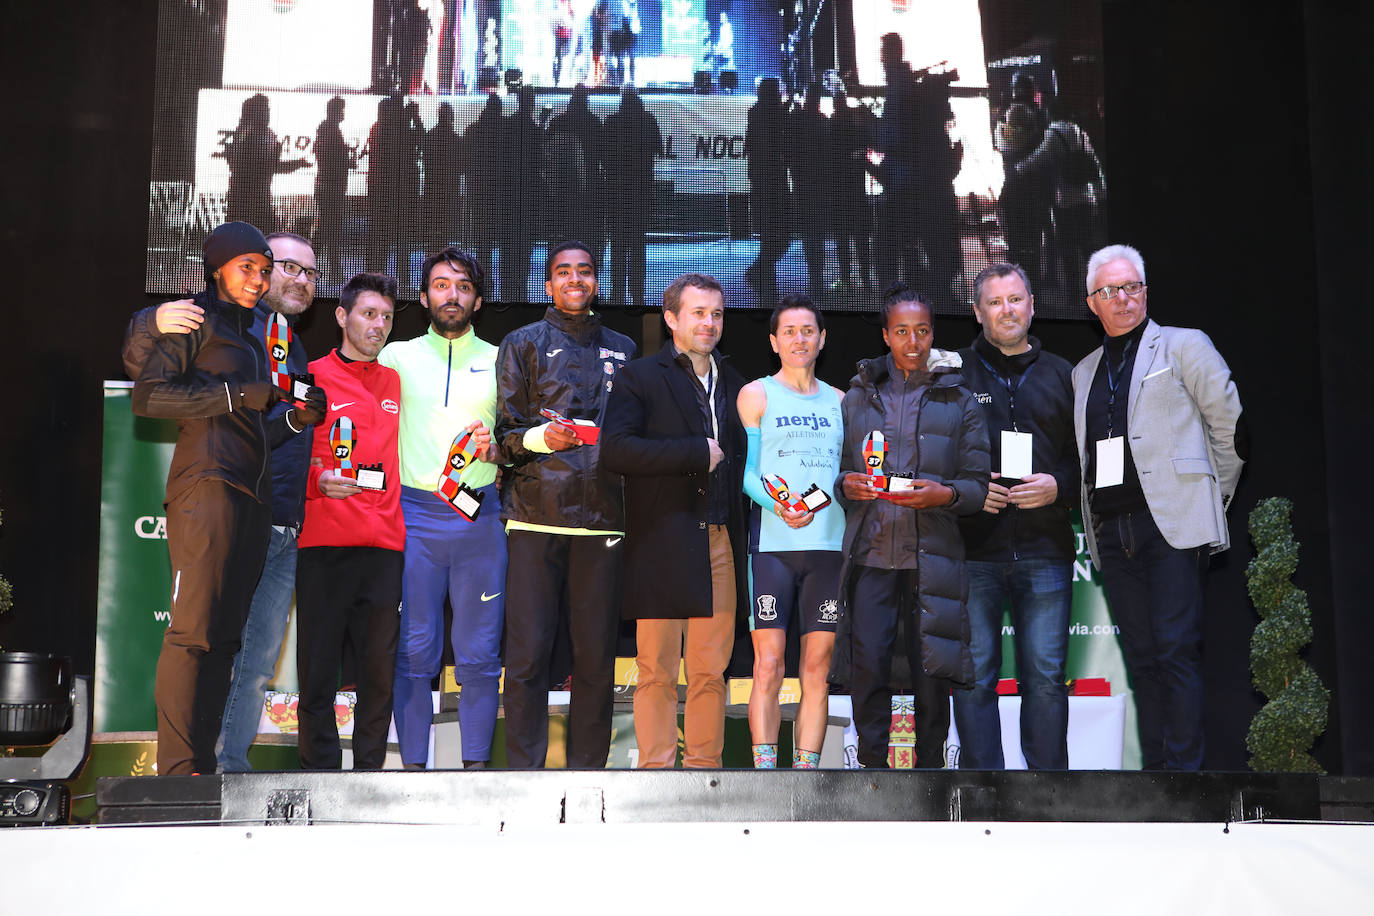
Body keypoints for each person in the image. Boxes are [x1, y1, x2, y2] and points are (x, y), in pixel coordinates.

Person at [121, 221, 326, 775]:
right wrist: (236, 394)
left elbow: (254, 430)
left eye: (264, 271)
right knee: (193, 635)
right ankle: (176, 772)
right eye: (247, 268)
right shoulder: (196, 318)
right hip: (207, 486)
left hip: (254, 503)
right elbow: (149, 397)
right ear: (216, 268)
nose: (258, 279)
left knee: (226, 643)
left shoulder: (258, 343)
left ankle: (204, 772)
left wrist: (295, 419)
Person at [1073, 244, 1244, 771]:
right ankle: (1154, 780)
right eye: (1109, 290)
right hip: (1111, 530)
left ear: (1145, 291)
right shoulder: (1083, 372)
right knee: (1142, 660)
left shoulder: (1184, 345)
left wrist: (1209, 500)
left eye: (1132, 286)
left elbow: (1230, 427)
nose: (1123, 298)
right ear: (1092, 303)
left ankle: (1185, 782)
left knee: (1175, 652)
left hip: (1172, 525)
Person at [830, 284, 989, 769]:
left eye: (922, 330)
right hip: (872, 554)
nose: (913, 341)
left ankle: (931, 773)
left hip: (932, 557)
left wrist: (945, 495)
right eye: (901, 331)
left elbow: (977, 486)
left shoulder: (960, 399)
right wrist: (846, 484)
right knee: (868, 668)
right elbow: (840, 472)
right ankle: (871, 771)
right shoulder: (857, 396)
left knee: (931, 675)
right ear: (886, 335)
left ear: (933, 333)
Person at [495, 240, 635, 768]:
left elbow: (635, 436)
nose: (575, 279)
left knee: (596, 661)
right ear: (548, 283)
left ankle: (588, 775)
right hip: (534, 518)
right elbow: (505, 435)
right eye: (563, 272)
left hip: (604, 520)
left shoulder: (625, 348)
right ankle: (523, 775)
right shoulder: (521, 342)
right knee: (527, 656)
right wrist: (541, 439)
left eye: (584, 271)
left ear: (596, 281)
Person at [601, 273, 746, 768]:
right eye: (698, 313)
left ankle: (705, 775)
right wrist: (692, 452)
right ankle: (655, 773)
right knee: (656, 670)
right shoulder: (640, 377)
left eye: (717, 314)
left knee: (710, 671)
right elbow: (615, 451)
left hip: (719, 538)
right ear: (671, 319)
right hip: (661, 538)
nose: (709, 322)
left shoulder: (738, 383)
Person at [378, 248, 504, 769]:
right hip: (413, 518)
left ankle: (475, 770)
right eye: (441, 284)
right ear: (424, 295)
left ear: (478, 300)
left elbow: (517, 440)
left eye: (463, 286)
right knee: (414, 652)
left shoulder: (503, 358)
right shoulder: (395, 357)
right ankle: (412, 771)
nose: (452, 295)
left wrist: (496, 450)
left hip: (479, 519)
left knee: (480, 655)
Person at [950, 263, 1078, 770]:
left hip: (1045, 549)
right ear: (978, 312)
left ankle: (1047, 794)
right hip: (971, 551)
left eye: (1016, 299)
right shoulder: (953, 373)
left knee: (1045, 678)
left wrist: (1059, 486)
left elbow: (1087, 457)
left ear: (1032, 305)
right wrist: (967, 492)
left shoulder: (1066, 374)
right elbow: (929, 454)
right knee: (974, 677)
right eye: (995, 302)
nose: (1007, 310)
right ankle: (984, 793)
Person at [296, 273, 403, 770]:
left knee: (379, 673)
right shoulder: (310, 376)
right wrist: (317, 480)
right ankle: (318, 773)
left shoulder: (395, 382)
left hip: (385, 547)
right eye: (368, 314)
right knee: (318, 667)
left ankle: (369, 777)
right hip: (325, 542)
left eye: (386, 317)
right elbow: (287, 450)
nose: (377, 325)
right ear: (342, 316)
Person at [735, 295, 844, 768]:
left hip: (829, 548)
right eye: (789, 332)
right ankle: (765, 773)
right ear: (774, 341)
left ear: (822, 339)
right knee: (769, 663)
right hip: (773, 547)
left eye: (808, 331)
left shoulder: (842, 401)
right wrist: (778, 506)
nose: (799, 339)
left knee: (817, 669)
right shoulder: (756, 394)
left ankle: (806, 775)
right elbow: (746, 474)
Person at [603, 87, 661, 308]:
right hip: (640, 192)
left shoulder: (612, 122)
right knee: (637, 245)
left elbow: (603, 155)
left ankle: (617, 292)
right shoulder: (648, 121)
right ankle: (637, 294)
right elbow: (658, 149)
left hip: (616, 193)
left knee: (618, 245)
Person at [222, 94, 307, 234]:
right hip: (248, 200)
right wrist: (295, 163)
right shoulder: (248, 134)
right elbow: (265, 167)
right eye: (264, 109)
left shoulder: (264, 134)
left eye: (268, 109)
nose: (268, 113)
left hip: (259, 197)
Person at [745, 78, 789, 307]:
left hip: (765, 184)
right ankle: (763, 281)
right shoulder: (769, 117)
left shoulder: (759, 115)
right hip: (772, 184)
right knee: (777, 237)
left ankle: (763, 280)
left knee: (773, 238)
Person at [314, 97, 354, 283]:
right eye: (342, 110)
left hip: (325, 186)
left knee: (324, 230)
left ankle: (316, 268)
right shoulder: (332, 132)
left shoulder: (324, 130)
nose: (344, 113)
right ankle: (333, 272)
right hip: (332, 187)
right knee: (331, 231)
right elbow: (335, 161)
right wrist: (348, 160)